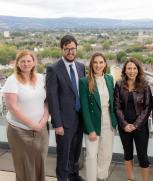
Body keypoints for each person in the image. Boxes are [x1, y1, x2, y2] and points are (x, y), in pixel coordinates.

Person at [2, 50, 49, 181]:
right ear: (17, 63)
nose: (26, 64)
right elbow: (13, 108)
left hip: (41, 129)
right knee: (24, 166)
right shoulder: (12, 80)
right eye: (22, 61)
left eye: (29, 61)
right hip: (19, 131)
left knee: (40, 161)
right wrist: (32, 124)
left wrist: (43, 121)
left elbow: (47, 101)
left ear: (34, 62)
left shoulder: (41, 78)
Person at [46, 35, 85, 181]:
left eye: (73, 49)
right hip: (64, 121)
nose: (70, 52)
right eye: (67, 49)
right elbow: (52, 98)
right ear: (61, 49)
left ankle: (74, 175)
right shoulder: (53, 69)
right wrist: (57, 124)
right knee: (64, 154)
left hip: (79, 118)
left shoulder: (81, 67)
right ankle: (62, 178)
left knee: (76, 150)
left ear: (76, 49)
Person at [79, 52, 117, 181]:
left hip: (108, 122)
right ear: (91, 64)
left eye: (101, 62)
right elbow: (84, 108)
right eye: (95, 62)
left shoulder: (109, 79)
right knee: (91, 156)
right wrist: (90, 130)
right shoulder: (84, 81)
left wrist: (115, 122)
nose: (98, 65)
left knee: (105, 154)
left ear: (105, 64)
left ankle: (101, 177)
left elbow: (113, 103)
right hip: (93, 123)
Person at [114, 58, 152, 181]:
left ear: (138, 70)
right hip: (124, 126)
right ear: (125, 70)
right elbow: (117, 106)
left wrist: (135, 125)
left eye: (134, 68)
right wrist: (125, 124)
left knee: (143, 156)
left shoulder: (145, 85)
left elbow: (147, 108)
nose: (132, 71)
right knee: (127, 153)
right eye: (129, 68)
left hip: (140, 127)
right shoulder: (119, 84)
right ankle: (130, 179)